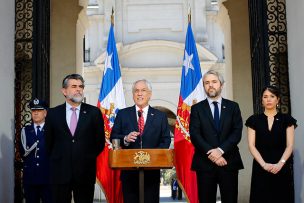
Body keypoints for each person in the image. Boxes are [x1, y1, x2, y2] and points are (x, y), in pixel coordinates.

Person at [44, 74, 105, 203]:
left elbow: (99, 143)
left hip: (85, 172)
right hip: (60, 173)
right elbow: (48, 143)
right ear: (64, 91)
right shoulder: (53, 114)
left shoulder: (94, 113)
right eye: (74, 86)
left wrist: (86, 157)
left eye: (81, 86)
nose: (79, 89)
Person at [110, 79, 171, 203]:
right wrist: (125, 139)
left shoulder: (160, 116)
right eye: (136, 91)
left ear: (149, 94)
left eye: (143, 90)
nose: (139, 94)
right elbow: (113, 137)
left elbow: (166, 140)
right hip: (129, 173)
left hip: (151, 173)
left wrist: (152, 157)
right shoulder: (122, 114)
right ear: (133, 94)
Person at [189, 69, 244, 203]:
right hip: (204, 163)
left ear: (221, 84)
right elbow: (195, 134)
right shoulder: (196, 109)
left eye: (214, 82)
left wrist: (220, 151)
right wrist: (212, 153)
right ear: (204, 86)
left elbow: (237, 132)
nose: (210, 85)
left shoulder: (233, 107)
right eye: (207, 83)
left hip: (228, 161)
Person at [245, 85, 297, 203]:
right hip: (261, 166)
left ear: (278, 99)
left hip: (282, 167)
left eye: (272, 96)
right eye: (265, 97)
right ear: (262, 100)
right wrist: (264, 165)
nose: (268, 99)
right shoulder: (253, 120)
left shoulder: (287, 120)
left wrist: (280, 164)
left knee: (282, 197)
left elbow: (290, 145)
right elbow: (251, 145)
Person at [20, 98, 51, 203]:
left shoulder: (52, 130)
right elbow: (22, 152)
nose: (36, 113)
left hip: (48, 177)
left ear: (45, 113)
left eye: (39, 110)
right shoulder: (25, 131)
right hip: (30, 178)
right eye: (33, 111)